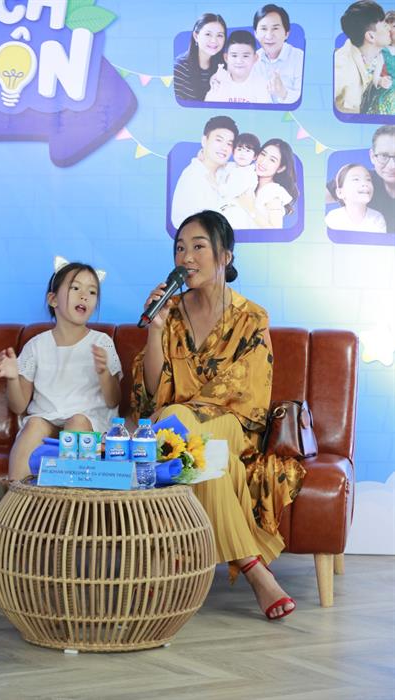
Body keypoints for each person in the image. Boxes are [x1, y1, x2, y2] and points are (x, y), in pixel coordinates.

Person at [131, 210, 305, 620]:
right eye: (179, 248)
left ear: (225, 255)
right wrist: (155, 329)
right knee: (206, 454)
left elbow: (246, 396)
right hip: (181, 434)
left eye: (198, 246)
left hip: (233, 427)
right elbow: (151, 391)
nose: (186, 257)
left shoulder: (252, 318)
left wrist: (181, 412)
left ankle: (170, 559)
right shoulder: (171, 313)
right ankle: (254, 568)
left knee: (179, 422)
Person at [0, 262, 122, 505]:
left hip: (88, 424)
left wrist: (104, 373)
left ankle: (65, 504)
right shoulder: (36, 345)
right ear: (53, 299)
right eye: (75, 288)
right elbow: (19, 405)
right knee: (34, 423)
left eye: (92, 292)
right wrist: (13, 378)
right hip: (47, 421)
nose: (84, 296)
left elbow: (113, 400)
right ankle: (13, 498)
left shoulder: (102, 342)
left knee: (77, 421)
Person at [171, 116, 238, 229]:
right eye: (219, 140)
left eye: (229, 144)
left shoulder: (225, 171)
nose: (224, 148)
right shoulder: (193, 177)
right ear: (204, 141)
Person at [326, 125, 395, 232]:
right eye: (383, 156)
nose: (392, 166)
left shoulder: (377, 219)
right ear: (372, 156)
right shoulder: (364, 178)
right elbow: (314, 198)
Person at [334, 1, 390, 113]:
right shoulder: (341, 68)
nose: (389, 28)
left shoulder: (375, 55)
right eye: (384, 25)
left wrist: (379, 80)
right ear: (371, 36)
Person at [232, 138, 299, 229]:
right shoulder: (249, 182)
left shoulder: (273, 192)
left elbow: (275, 232)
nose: (263, 162)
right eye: (263, 154)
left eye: (272, 160)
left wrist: (251, 208)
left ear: (280, 168)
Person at [253, 4, 304, 104]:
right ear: (256, 33)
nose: (269, 36)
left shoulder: (300, 58)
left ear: (286, 34)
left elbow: (307, 100)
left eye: (275, 28)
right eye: (263, 29)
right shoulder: (251, 60)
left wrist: (283, 93)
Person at [204, 30, 272, 103]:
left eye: (245, 56)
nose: (239, 61)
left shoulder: (261, 84)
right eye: (234, 55)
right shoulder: (218, 82)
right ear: (226, 58)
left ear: (255, 58)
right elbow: (208, 107)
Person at [174, 13, 227, 101]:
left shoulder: (224, 67)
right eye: (208, 34)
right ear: (196, 36)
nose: (214, 40)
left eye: (219, 35)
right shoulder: (180, 68)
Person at [325, 163, 387, 232]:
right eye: (356, 179)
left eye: (368, 179)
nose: (365, 183)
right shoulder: (333, 218)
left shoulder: (377, 218)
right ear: (340, 193)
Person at [219, 132, 260, 229]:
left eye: (248, 151)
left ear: (255, 156)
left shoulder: (249, 174)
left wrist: (215, 185)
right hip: (225, 211)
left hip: (238, 215)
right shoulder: (230, 166)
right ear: (233, 152)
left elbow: (230, 192)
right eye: (239, 149)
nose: (242, 154)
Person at [369, 10, 395, 114]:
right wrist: (380, 81)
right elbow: (375, 77)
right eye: (393, 26)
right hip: (389, 94)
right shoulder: (384, 52)